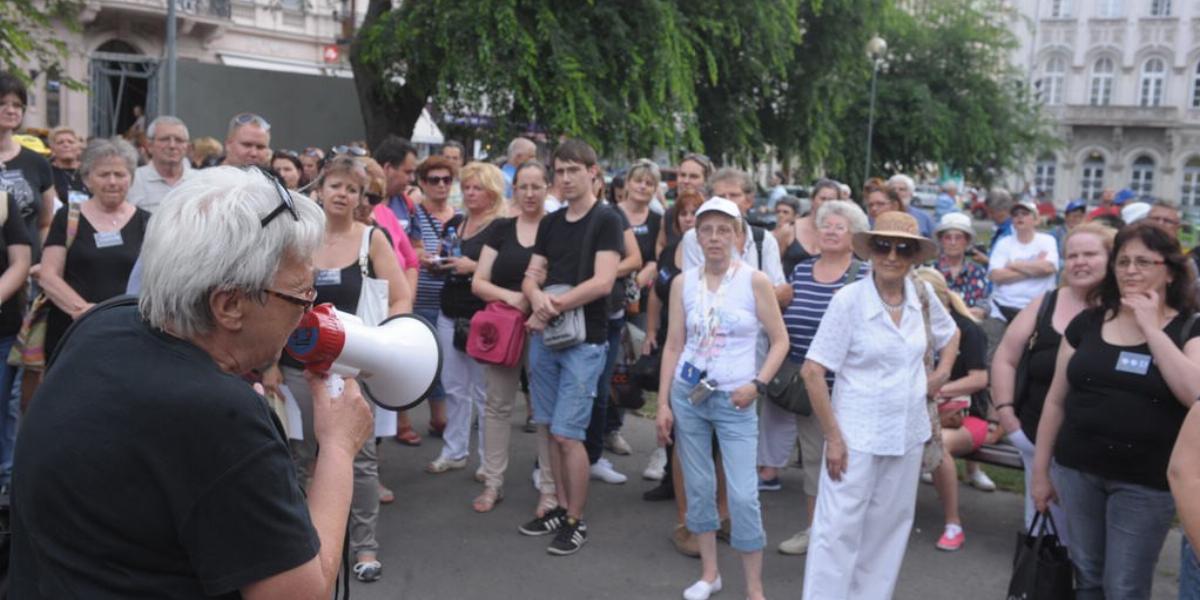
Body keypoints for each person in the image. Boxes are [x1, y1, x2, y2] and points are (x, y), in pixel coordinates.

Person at [10, 165, 373, 599]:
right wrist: (336, 448)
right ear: (229, 305)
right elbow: (300, 593)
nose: (309, 312)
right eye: (301, 295)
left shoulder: (104, 323)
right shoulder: (221, 415)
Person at [1032, 223, 1200, 600]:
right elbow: (1056, 402)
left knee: (1124, 587)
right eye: (1123, 261)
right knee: (1087, 576)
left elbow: (1195, 393)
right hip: (1077, 470)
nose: (1130, 270)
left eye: (1143, 261)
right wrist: (1041, 472)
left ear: (1170, 271)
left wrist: (1151, 328)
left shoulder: (1190, 328)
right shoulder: (1088, 323)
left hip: (1144, 482)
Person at [800, 211, 959, 599]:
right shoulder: (849, 300)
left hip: (906, 434)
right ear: (870, 250)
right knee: (836, 533)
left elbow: (951, 335)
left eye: (903, 247)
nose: (892, 255)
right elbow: (812, 371)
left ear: (914, 255)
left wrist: (939, 376)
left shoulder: (920, 295)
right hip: (855, 439)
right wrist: (834, 439)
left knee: (889, 532)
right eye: (883, 245)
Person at [278, 156, 407, 583]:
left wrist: (381, 345)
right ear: (319, 188)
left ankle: (364, 543)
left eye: (352, 189)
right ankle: (300, 542)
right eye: (335, 185)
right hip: (296, 364)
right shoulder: (300, 238)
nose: (342, 194)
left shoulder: (373, 239)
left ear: (360, 197)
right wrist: (268, 365)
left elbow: (401, 299)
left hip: (351, 366)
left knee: (360, 457)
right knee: (298, 454)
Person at [656, 197, 787, 600]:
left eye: (724, 230)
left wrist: (758, 383)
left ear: (738, 236)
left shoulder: (754, 280)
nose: (714, 238)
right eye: (706, 230)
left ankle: (754, 587)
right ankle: (710, 573)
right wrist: (662, 403)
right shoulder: (683, 282)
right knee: (698, 486)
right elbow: (674, 345)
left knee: (745, 496)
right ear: (696, 235)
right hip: (689, 395)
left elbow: (780, 340)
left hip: (737, 398)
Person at [517, 139, 622, 556]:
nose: (565, 178)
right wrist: (536, 297)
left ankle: (576, 519)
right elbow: (532, 275)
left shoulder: (606, 220)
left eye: (573, 170)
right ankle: (559, 508)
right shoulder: (551, 222)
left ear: (593, 172)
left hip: (585, 340)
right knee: (547, 426)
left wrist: (549, 306)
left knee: (567, 433)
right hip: (546, 339)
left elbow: (604, 283)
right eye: (559, 171)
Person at [992, 222, 1114, 540]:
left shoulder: (1124, 311)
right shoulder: (1045, 303)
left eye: (1090, 254)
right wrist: (1007, 415)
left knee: (1088, 541)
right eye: (1072, 255)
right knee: (1045, 533)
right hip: (1035, 437)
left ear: (1112, 259)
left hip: (1096, 450)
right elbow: (1005, 357)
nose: (1079, 261)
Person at [774, 200, 871, 556]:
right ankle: (816, 532)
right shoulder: (801, 270)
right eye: (825, 225)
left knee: (852, 463)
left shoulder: (863, 275)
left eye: (839, 226)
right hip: (809, 388)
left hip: (849, 390)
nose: (830, 231)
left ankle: (849, 535)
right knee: (815, 460)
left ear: (854, 236)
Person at [472, 160, 552, 514]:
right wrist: (514, 298)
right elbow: (479, 281)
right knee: (497, 406)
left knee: (546, 412)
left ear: (547, 188)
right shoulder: (501, 228)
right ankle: (492, 482)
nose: (530, 193)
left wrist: (536, 305)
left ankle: (549, 488)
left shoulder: (558, 229)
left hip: (546, 327)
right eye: (524, 186)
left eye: (537, 186)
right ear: (514, 190)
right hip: (504, 328)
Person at [426, 162, 507, 477]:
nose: (470, 193)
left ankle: (489, 461)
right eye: (468, 187)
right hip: (450, 309)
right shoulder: (456, 222)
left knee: (485, 391)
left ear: (492, 192)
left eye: (478, 188)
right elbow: (444, 252)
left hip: (482, 315)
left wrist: (472, 267)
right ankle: (454, 450)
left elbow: (505, 269)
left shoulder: (500, 226)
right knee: (454, 387)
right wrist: (439, 263)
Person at [37, 138, 151, 361]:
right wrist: (85, 311)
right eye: (103, 174)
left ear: (131, 178)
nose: (112, 181)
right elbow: (48, 276)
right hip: (73, 330)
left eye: (120, 174)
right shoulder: (68, 217)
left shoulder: (146, 222)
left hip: (128, 332)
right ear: (87, 179)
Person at [914, 267, 995, 552]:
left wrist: (936, 389)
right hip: (923, 412)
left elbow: (980, 379)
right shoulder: (913, 326)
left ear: (939, 300)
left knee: (936, 444)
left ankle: (953, 523)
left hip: (967, 417)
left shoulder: (967, 329)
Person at [641, 190, 703, 499]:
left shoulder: (709, 252)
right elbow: (655, 293)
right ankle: (671, 478)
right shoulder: (670, 251)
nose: (689, 218)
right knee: (669, 408)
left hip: (699, 346)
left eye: (694, 212)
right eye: (683, 213)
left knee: (690, 412)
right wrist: (651, 331)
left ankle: (693, 485)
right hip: (669, 337)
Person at [680, 168, 789, 306]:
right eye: (721, 196)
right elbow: (695, 291)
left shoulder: (764, 239)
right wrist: (758, 296)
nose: (728, 202)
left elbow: (780, 291)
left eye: (734, 195)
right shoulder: (694, 238)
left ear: (749, 201)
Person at [410, 155, 459, 439]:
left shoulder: (460, 215)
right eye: (434, 180)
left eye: (447, 179)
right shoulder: (415, 214)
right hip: (424, 300)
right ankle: (438, 417)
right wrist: (423, 258)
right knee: (434, 362)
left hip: (453, 300)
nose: (441, 185)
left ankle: (452, 416)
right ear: (422, 183)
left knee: (454, 363)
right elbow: (410, 250)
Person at [984, 198, 1059, 358]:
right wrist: (1034, 267)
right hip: (1001, 309)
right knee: (993, 356)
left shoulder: (1047, 241)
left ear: (1036, 219)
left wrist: (1014, 264)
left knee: (1030, 357)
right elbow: (995, 275)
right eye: (1016, 214)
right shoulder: (1004, 243)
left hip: (1037, 311)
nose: (1019, 217)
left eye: (1025, 214)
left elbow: (1049, 268)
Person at [0, 72, 55, 257]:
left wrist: (44, 263)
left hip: (28, 274)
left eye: (17, 105)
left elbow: (45, 223)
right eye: (2, 103)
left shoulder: (37, 162)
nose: (11, 110)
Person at [0, 167, 30, 491]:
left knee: (2, 408)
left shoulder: (3, 203)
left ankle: (6, 483)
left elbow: (20, 261)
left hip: (2, 327)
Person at [127, 116, 194, 213]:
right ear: (150, 145)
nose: (172, 145)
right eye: (165, 139)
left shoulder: (201, 181)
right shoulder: (132, 181)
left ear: (187, 147)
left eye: (179, 140)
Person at [775, 179, 839, 281]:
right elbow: (772, 265)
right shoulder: (789, 230)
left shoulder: (840, 235)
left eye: (831, 200)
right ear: (812, 200)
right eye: (822, 198)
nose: (826, 204)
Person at [935, 212, 990, 320]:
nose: (953, 242)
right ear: (941, 241)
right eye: (948, 237)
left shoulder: (978, 272)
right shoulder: (931, 272)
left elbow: (985, 303)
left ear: (967, 241)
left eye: (958, 237)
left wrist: (981, 311)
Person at [47, 127, 87, 206]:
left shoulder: (89, 170)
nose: (66, 145)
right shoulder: (47, 172)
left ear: (78, 147)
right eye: (60, 142)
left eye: (71, 142)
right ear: (52, 149)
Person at [887, 173, 935, 238]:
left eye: (902, 189)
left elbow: (933, 244)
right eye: (893, 189)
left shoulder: (924, 218)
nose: (896, 192)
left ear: (911, 193)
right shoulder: (880, 214)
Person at [441, 140, 467, 207]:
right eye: (447, 157)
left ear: (461, 161)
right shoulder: (432, 181)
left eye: (455, 158)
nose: (450, 161)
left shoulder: (467, 181)